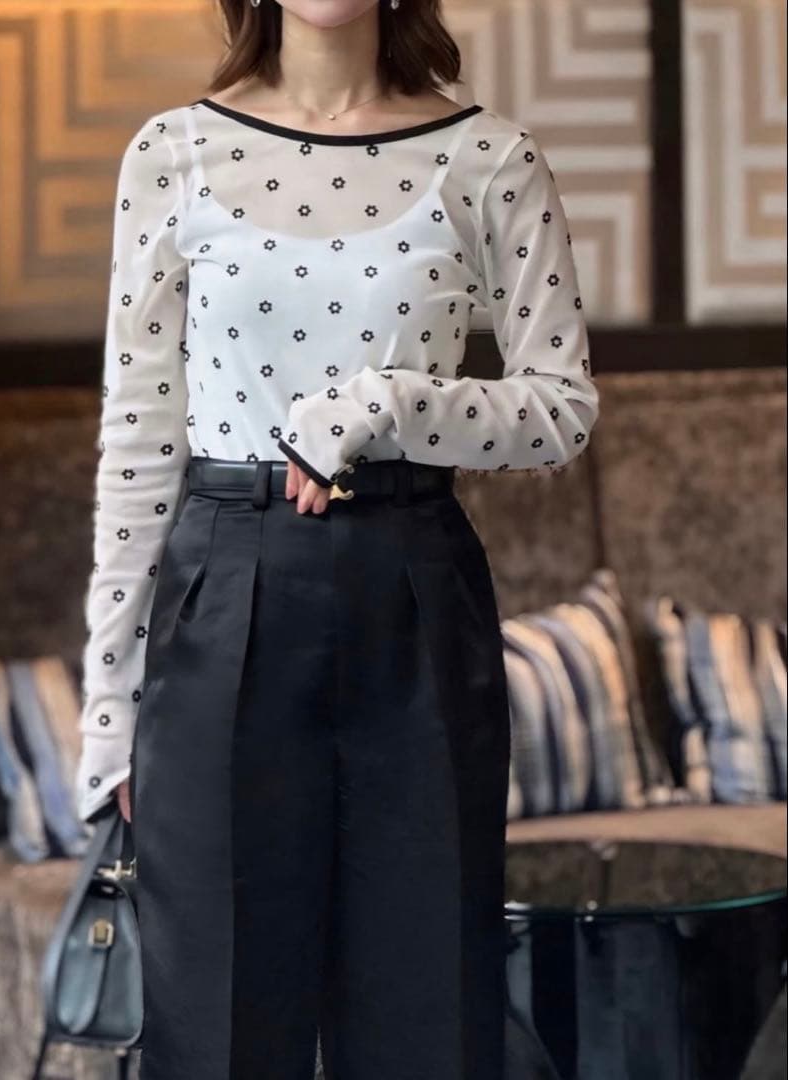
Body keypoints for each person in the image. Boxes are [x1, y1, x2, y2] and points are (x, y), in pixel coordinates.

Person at [74, 0, 599, 1077]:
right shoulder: (172, 152)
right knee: (217, 1029)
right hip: (221, 598)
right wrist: (109, 709)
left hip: (413, 598)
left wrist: (384, 404)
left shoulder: (488, 157)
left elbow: (560, 409)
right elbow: (138, 443)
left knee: (427, 1020)